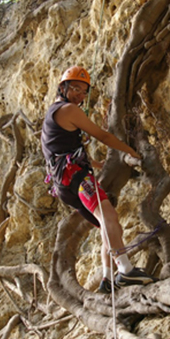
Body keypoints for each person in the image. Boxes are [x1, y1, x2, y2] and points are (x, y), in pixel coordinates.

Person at [41, 66, 156, 293]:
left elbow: (62, 149)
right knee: (109, 217)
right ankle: (126, 271)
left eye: (84, 92)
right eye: (75, 88)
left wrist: (96, 165)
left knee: (108, 225)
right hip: (77, 178)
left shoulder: (52, 114)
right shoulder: (68, 110)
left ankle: (106, 279)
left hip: (65, 183)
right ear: (62, 87)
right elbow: (102, 135)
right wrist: (130, 152)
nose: (79, 95)